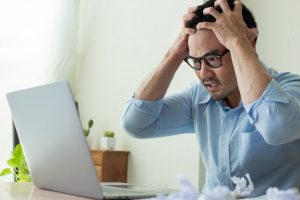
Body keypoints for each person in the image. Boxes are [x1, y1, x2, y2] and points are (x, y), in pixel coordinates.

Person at [120, 0, 300, 197]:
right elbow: (135, 123)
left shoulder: (292, 90)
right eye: (196, 61)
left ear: (251, 43)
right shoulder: (199, 97)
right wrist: (176, 52)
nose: (204, 73)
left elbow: (277, 128)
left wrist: (238, 42)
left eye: (213, 58)